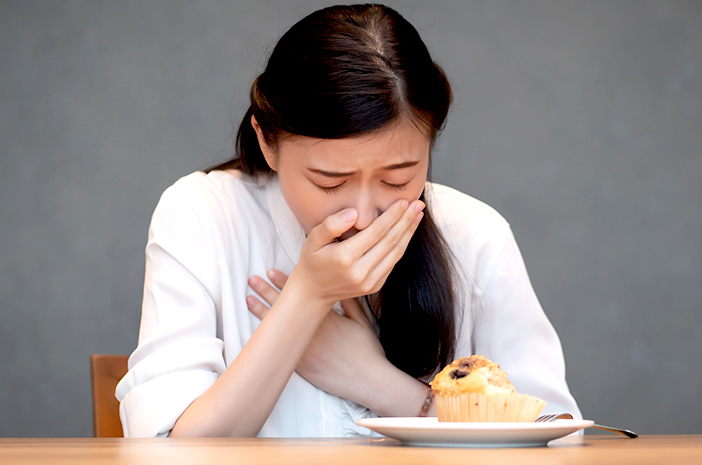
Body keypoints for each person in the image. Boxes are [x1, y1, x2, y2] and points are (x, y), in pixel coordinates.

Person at [115, 4, 582, 438]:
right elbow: (166, 450)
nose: (361, 215)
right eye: (329, 181)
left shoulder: (475, 235)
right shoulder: (202, 214)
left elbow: (556, 436)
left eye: (398, 179)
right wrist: (307, 297)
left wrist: (375, 382)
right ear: (266, 141)